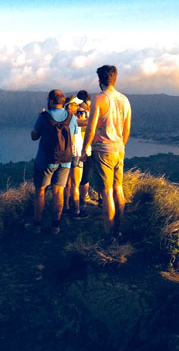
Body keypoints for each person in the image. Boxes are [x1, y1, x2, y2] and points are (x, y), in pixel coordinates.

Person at [81, 65, 132, 245]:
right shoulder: (125, 100)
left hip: (103, 151)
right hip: (119, 149)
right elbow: (127, 129)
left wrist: (84, 149)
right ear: (115, 79)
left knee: (107, 192)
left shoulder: (99, 98)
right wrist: (121, 145)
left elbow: (91, 127)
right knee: (119, 189)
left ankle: (109, 235)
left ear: (99, 80)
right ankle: (117, 231)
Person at [27, 89, 78, 235]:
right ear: (63, 102)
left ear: (50, 101)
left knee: (40, 191)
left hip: (46, 161)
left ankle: (37, 226)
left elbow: (34, 136)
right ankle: (55, 226)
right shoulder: (70, 117)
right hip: (65, 161)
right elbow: (72, 139)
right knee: (58, 191)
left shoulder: (44, 116)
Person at [62, 96, 86, 219]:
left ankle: (65, 206)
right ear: (69, 106)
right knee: (76, 184)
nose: (77, 107)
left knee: (67, 183)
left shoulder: (62, 118)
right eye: (75, 105)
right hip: (76, 152)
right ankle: (76, 211)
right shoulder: (72, 119)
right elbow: (87, 122)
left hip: (65, 153)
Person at [76, 90, 92, 207]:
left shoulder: (73, 112)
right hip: (88, 148)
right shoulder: (93, 112)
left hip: (76, 148)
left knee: (75, 179)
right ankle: (83, 200)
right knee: (84, 177)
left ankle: (76, 201)